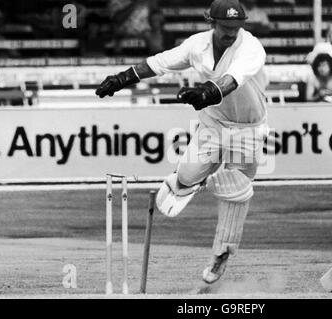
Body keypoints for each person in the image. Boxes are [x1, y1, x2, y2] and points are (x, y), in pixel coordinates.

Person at [95, 0, 268, 285]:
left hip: (247, 130)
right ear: (210, 22)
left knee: (236, 187)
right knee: (185, 177)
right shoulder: (196, 45)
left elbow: (232, 79)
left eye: (236, 27)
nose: (231, 33)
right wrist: (122, 78)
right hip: (212, 123)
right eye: (225, 27)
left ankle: (222, 253)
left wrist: (206, 92)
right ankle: (197, 181)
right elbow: (160, 62)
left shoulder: (251, 47)